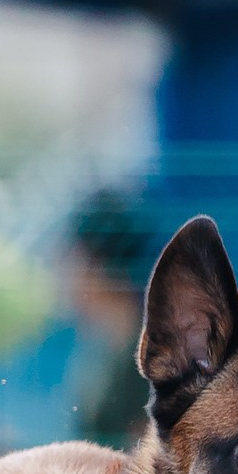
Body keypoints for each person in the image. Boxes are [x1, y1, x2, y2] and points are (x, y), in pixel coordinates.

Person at [61, 189, 155, 448]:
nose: (63, 273)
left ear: (95, 265)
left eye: (71, 259)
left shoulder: (146, 357)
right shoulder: (104, 340)